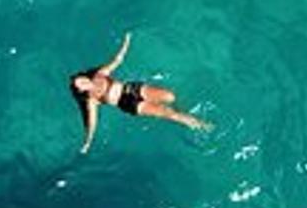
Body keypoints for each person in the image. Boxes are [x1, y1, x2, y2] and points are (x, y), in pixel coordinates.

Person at [71, 32, 211, 153]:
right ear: (82, 90)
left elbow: (116, 61)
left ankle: (184, 113)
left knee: (170, 96)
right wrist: (87, 142)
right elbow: (92, 122)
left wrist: (126, 42)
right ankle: (201, 125)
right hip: (128, 103)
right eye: (81, 84)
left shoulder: (99, 74)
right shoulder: (92, 100)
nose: (84, 82)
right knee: (167, 113)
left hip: (133, 88)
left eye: (82, 79)